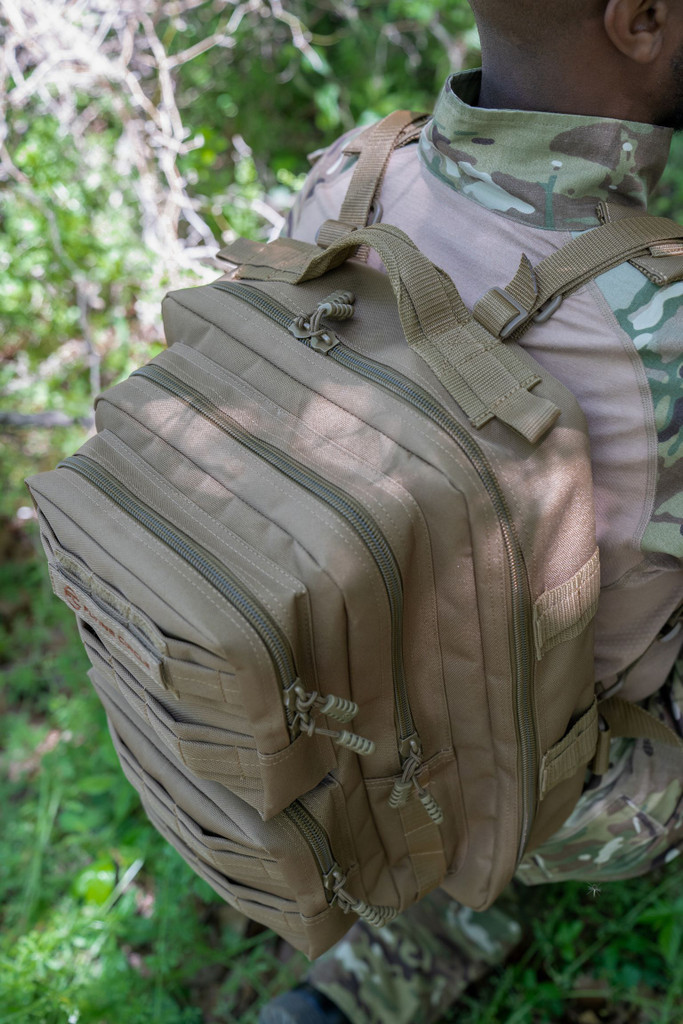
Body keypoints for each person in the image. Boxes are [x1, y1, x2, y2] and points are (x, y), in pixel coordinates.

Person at [259, 1, 683, 1021]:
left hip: (338, 728)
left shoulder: (350, 176)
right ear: (640, 19)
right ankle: (490, 866)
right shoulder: (660, 325)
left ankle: (412, 930)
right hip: (577, 806)